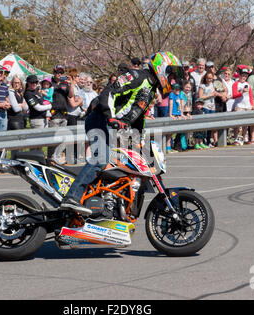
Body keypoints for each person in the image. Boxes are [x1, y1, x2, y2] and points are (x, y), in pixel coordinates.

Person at [59, 51, 182, 215]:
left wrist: (140, 142)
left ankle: (100, 202)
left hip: (113, 127)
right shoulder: (136, 75)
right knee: (101, 158)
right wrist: (110, 117)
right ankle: (71, 197)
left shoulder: (151, 90)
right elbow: (108, 93)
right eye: (170, 74)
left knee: (124, 166)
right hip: (99, 120)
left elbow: (138, 119)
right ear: (161, 68)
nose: (172, 79)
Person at [232, 68, 254, 145]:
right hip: (239, 106)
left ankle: (244, 138)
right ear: (239, 75)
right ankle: (236, 138)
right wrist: (241, 92)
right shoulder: (236, 84)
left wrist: (252, 105)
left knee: (245, 124)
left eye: (245, 76)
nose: (244, 77)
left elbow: (250, 96)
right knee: (238, 124)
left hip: (247, 106)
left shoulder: (248, 84)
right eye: (242, 75)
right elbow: (234, 95)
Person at [198, 71, 219, 147]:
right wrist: (210, 95)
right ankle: (203, 141)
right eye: (207, 78)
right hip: (205, 106)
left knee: (211, 125)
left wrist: (216, 94)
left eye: (210, 78)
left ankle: (209, 140)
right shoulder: (202, 86)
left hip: (212, 106)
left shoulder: (213, 85)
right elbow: (200, 97)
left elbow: (218, 92)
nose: (209, 80)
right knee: (205, 125)